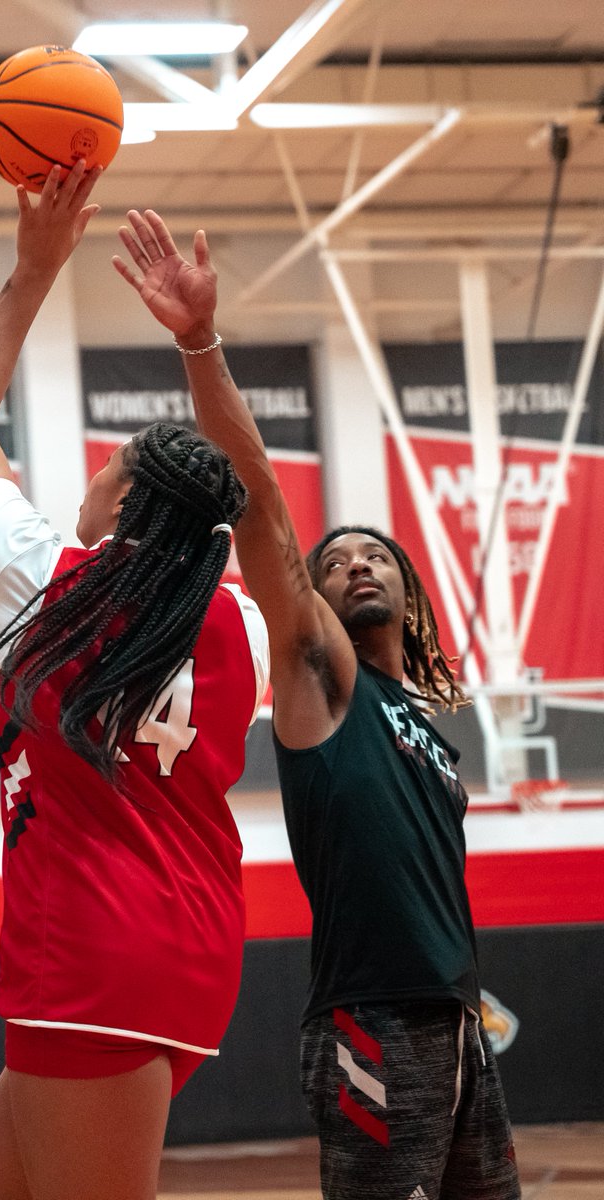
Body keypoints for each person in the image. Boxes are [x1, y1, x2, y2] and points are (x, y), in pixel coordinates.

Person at [113, 208, 520, 1200]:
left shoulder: (426, 729)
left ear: (407, 591)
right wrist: (201, 342)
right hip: (370, 1022)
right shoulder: (322, 679)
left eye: (375, 555)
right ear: (317, 603)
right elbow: (259, 503)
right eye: (336, 563)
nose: (356, 565)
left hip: (457, 1021)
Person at [0, 162, 269, 1200]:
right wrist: (201, 344)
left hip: (89, 955)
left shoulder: (43, 577)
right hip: (190, 948)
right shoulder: (247, 625)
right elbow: (267, 525)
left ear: (121, 495)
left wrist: (34, 271)